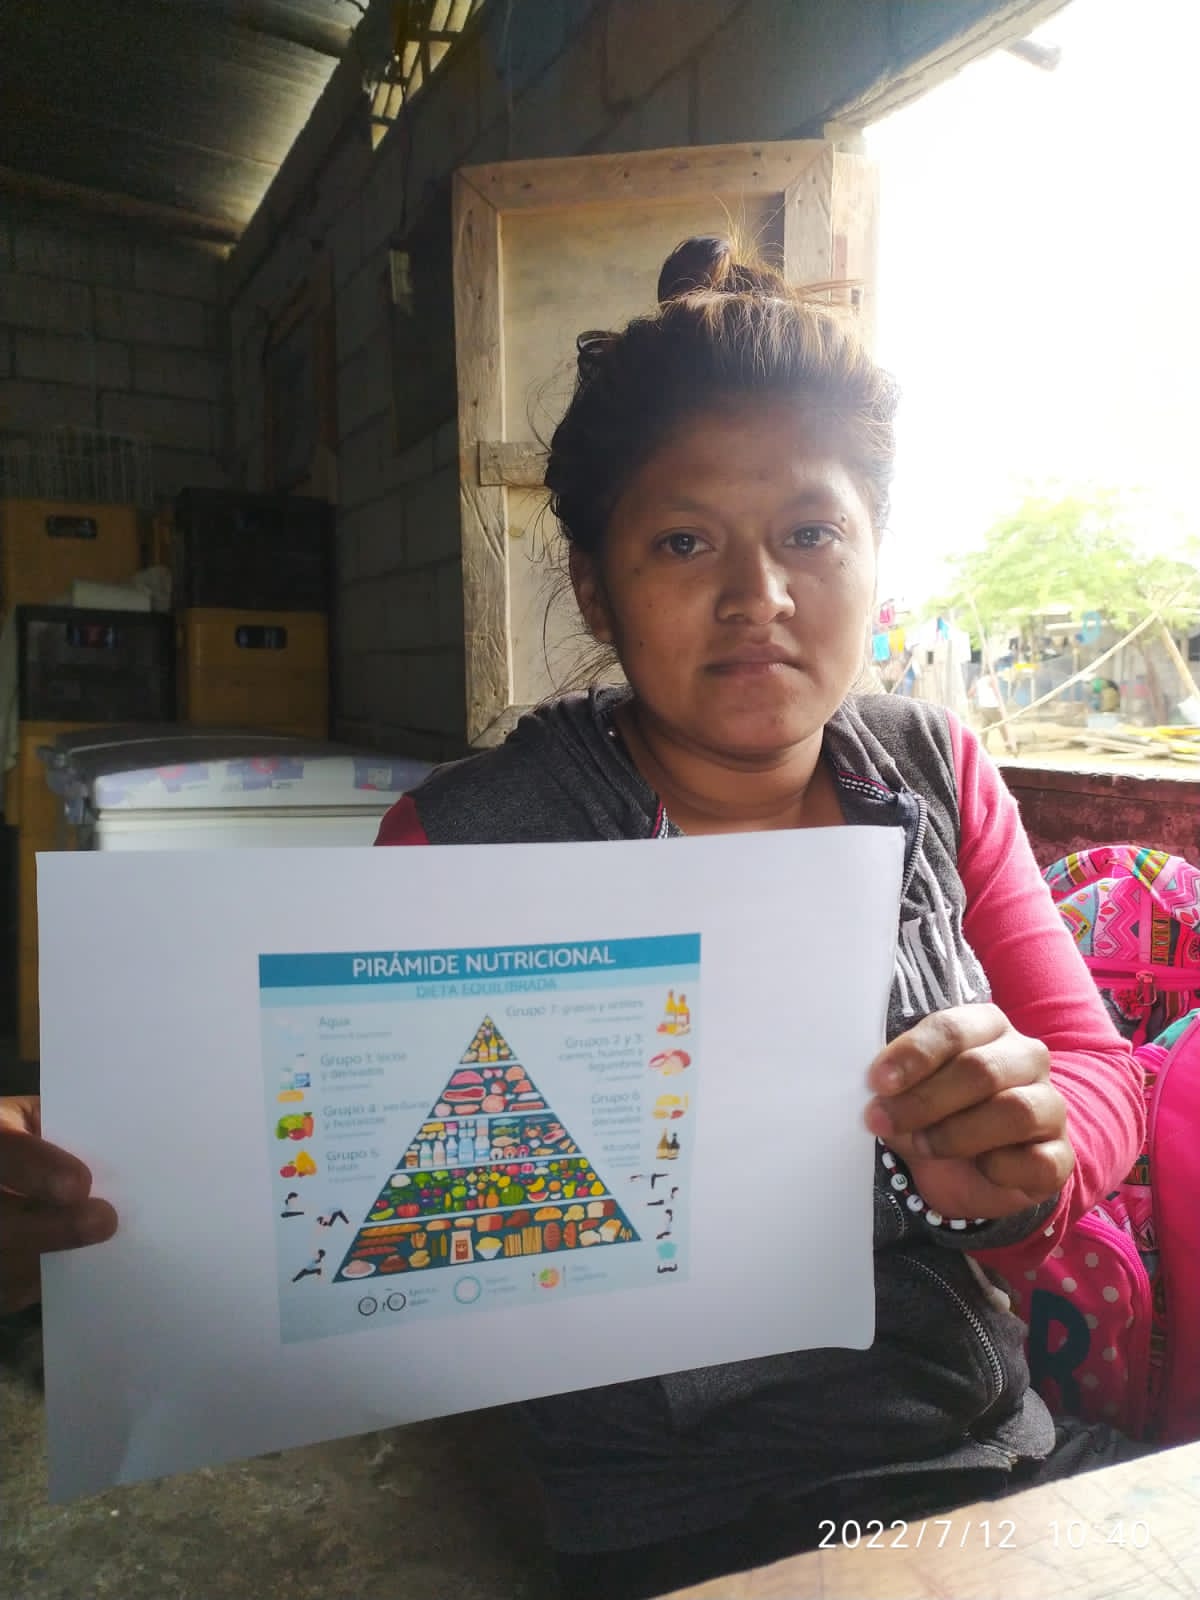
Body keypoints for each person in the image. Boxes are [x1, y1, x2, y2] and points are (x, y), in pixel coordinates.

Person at [0, 239, 1145, 1598]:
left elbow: (1097, 1064)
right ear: (596, 590)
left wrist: (1033, 1149)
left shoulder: (932, 771)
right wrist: (79, 1180)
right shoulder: (469, 841)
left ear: (872, 553)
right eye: (683, 542)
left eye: (811, 533)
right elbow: (298, 1161)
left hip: (985, 1437)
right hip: (684, 1510)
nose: (760, 595)